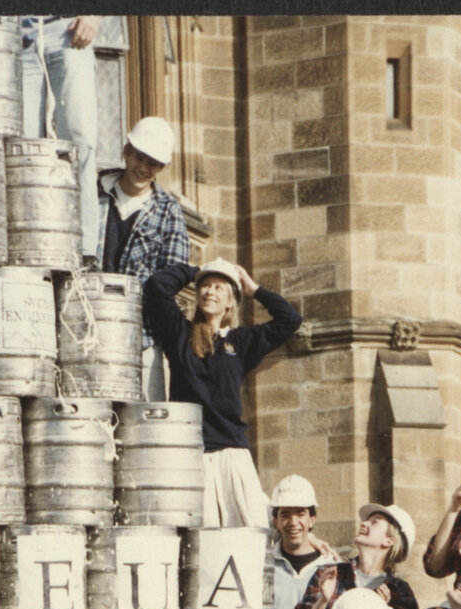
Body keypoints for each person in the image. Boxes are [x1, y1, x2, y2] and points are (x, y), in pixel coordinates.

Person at [143, 258, 303, 527]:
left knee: (251, 528)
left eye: (219, 287)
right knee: (201, 534)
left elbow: (290, 320)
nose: (209, 291)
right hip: (191, 451)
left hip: (231, 451)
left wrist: (255, 290)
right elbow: (158, 286)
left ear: (231, 301)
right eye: (205, 286)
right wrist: (196, 270)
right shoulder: (180, 333)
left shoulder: (241, 342)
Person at [95, 115, 190, 400]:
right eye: (140, 158)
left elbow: (172, 280)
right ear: (126, 151)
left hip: (143, 340)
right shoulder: (92, 192)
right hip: (88, 332)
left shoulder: (169, 212)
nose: (144, 168)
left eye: (153, 164)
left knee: (143, 427)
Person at [21, 16, 101, 264]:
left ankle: (86, 249)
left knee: (80, 138)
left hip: (68, 30)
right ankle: (31, 243)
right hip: (19, 38)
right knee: (24, 147)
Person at [269, 475, 339, 609]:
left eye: (300, 513)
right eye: (285, 514)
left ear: (312, 519)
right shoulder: (263, 566)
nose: (293, 522)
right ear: (275, 521)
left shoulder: (332, 568)